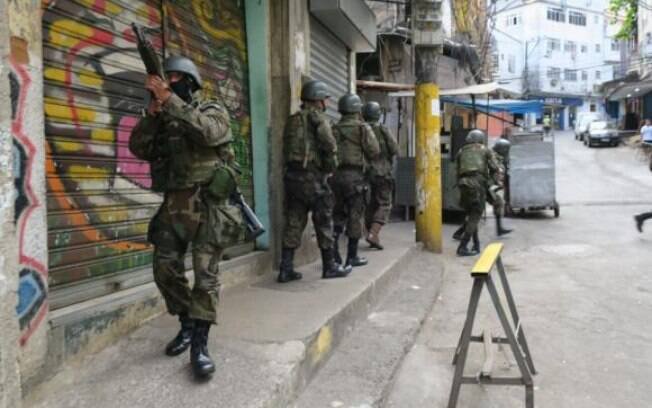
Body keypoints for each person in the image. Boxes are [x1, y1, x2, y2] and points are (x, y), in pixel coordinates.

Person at [129, 55, 237, 379]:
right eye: (167, 78)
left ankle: (200, 346)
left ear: (189, 81)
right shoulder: (163, 115)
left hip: (207, 204)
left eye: (175, 78)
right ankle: (187, 324)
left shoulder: (211, 110)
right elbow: (138, 147)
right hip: (174, 204)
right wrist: (152, 114)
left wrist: (169, 99)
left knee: (206, 277)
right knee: (164, 268)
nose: (169, 82)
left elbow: (209, 134)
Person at [278, 80, 351, 283]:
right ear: (318, 100)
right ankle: (330, 266)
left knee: (293, 221)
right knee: (323, 221)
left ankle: (286, 268)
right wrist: (331, 167)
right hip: (313, 178)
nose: (325, 103)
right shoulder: (317, 118)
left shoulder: (292, 119)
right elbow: (329, 144)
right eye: (324, 100)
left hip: (292, 178)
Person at [331, 94, 380, 267]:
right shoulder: (362, 128)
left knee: (336, 215)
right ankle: (351, 256)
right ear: (357, 109)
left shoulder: (334, 128)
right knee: (354, 215)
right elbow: (374, 151)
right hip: (355, 178)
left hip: (335, 177)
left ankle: (334, 255)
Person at [452, 137, 512, 240]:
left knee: (497, 202)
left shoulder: (487, 152)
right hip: (480, 185)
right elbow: (492, 170)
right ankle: (462, 236)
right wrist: (494, 181)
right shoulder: (490, 154)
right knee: (476, 212)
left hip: (480, 185)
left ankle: (499, 229)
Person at [455, 129, 498, 257]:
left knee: (471, 214)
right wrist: (489, 183)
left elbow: (457, 171)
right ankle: (462, 246)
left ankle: (476, 244)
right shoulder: (485, 150)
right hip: (478, 185)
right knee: (475, 215)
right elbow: (495, 168)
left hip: (463, 185)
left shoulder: (461, 151)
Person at [362, 101, 398, 250]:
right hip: (382, 172)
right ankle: (373, 233)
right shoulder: (382, 129)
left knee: (370, 204)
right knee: (384, 204)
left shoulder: (361, 129)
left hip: (365, 172)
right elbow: (395, 148)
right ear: (378, 115)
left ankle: (371, 234)